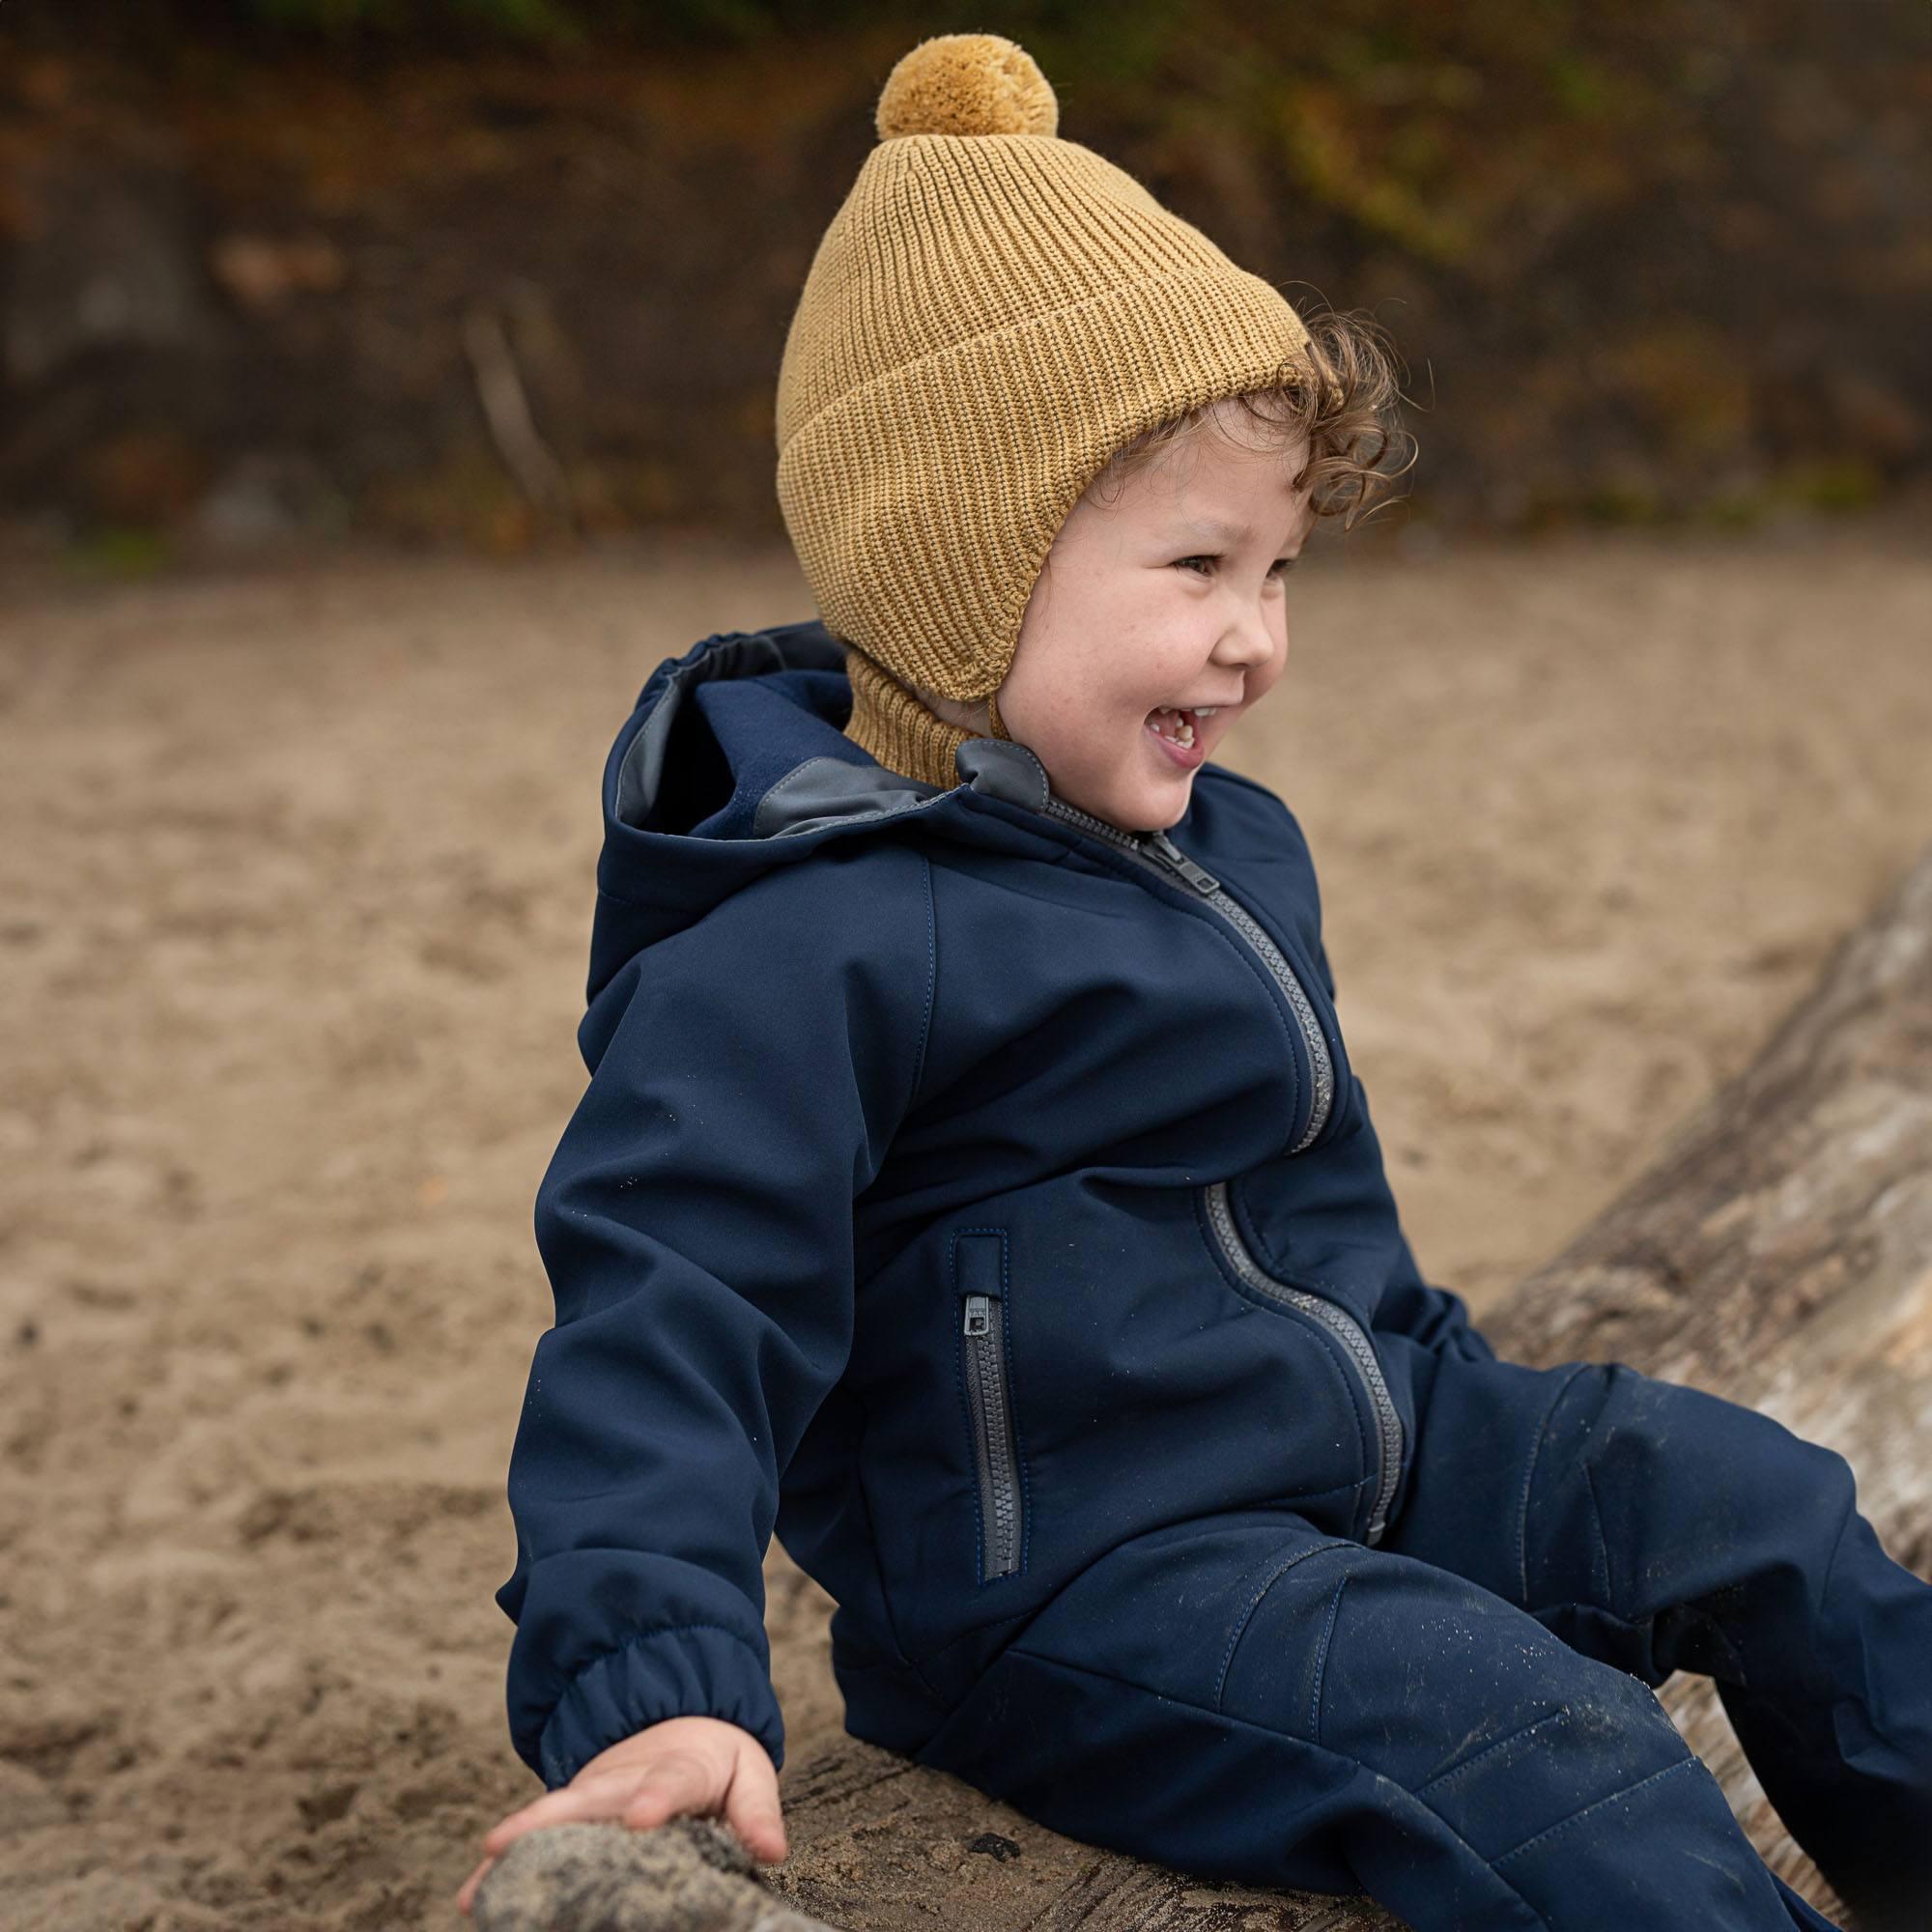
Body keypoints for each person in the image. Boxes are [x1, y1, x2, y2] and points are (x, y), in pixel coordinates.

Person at [458, 33, 1931, 1932]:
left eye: (1282, 568)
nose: (1253, 640)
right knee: (1543, 1746)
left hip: (1357, 1447)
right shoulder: (799, 931)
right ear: (965, 563)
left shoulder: (1222, 846)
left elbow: (1316, 1210)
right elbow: (665, 1313)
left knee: (1764, 1510)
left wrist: (1483, 1423)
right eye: (1197, 564)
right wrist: (655, 1680)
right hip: (1084, 1582)